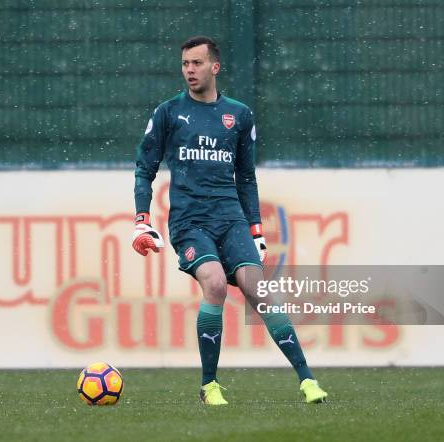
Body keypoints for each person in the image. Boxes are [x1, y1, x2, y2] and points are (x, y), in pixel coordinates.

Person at [131, 36, 328, 405]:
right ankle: (209, 386)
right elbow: (145, 169)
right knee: (216, 284)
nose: (190, 70)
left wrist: (256, 230)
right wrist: (142, 219)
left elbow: (247, 176)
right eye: (186, 64)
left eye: (197, 63)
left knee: (260, 291)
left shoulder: (239, 115)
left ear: (215, 67)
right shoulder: (168, 113)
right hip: (190, 222)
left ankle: (307, 380)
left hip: (231, 219)